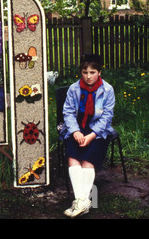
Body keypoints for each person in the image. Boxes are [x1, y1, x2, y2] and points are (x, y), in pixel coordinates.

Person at [59, 54, 115, 218]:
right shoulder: (74, 89)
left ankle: (80, 202)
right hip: (76, 128)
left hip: (97, 131)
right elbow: (68, 113)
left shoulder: (107, 90)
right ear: (81, 72)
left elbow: (106, 117)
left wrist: (91, 135)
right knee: (73, 157)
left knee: (88, 160)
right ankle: (83, 201)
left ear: (99, 72)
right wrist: (75, 131)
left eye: (92, 72)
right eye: (85, 72)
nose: (88, 76)